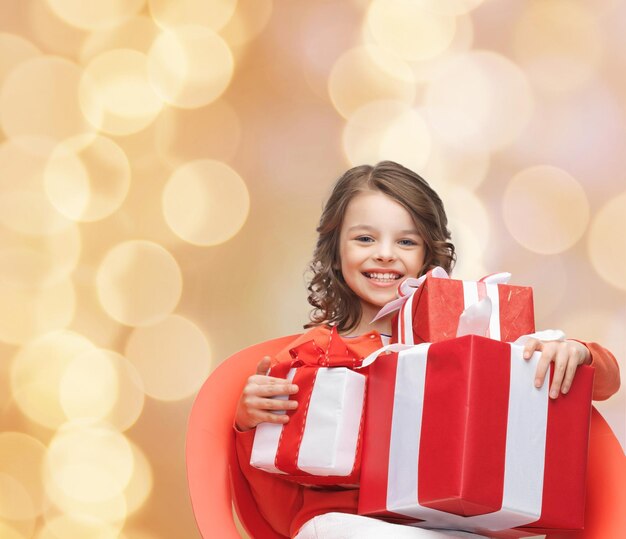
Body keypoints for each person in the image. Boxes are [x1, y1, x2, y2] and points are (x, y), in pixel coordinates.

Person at [233, 161, 621, 539]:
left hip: (450, 524)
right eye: (365, 238)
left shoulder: (464, 342)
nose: (385, 254)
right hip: (341, 523)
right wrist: (249, 423)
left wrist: (577, 352)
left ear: (428, 256)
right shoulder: (313, 356)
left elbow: (602, 384)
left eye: (406, 241)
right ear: (335, 251)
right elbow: (275, 495)